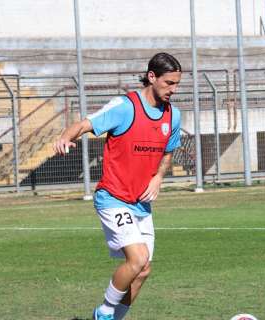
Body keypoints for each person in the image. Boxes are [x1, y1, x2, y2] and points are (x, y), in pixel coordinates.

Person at [53, 52, 182, 319]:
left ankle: (113, 318)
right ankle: (103, 313)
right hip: (112, 197)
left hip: (141, 203)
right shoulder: (125, 107)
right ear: (152, 77)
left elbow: (169, 151)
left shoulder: (173, 115)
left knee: (143, 269)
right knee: (136, 258)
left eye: (177, 84)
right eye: (169, 83)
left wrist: (158, 177)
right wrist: (65, 136)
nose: (174, 89)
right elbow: (85, 124)